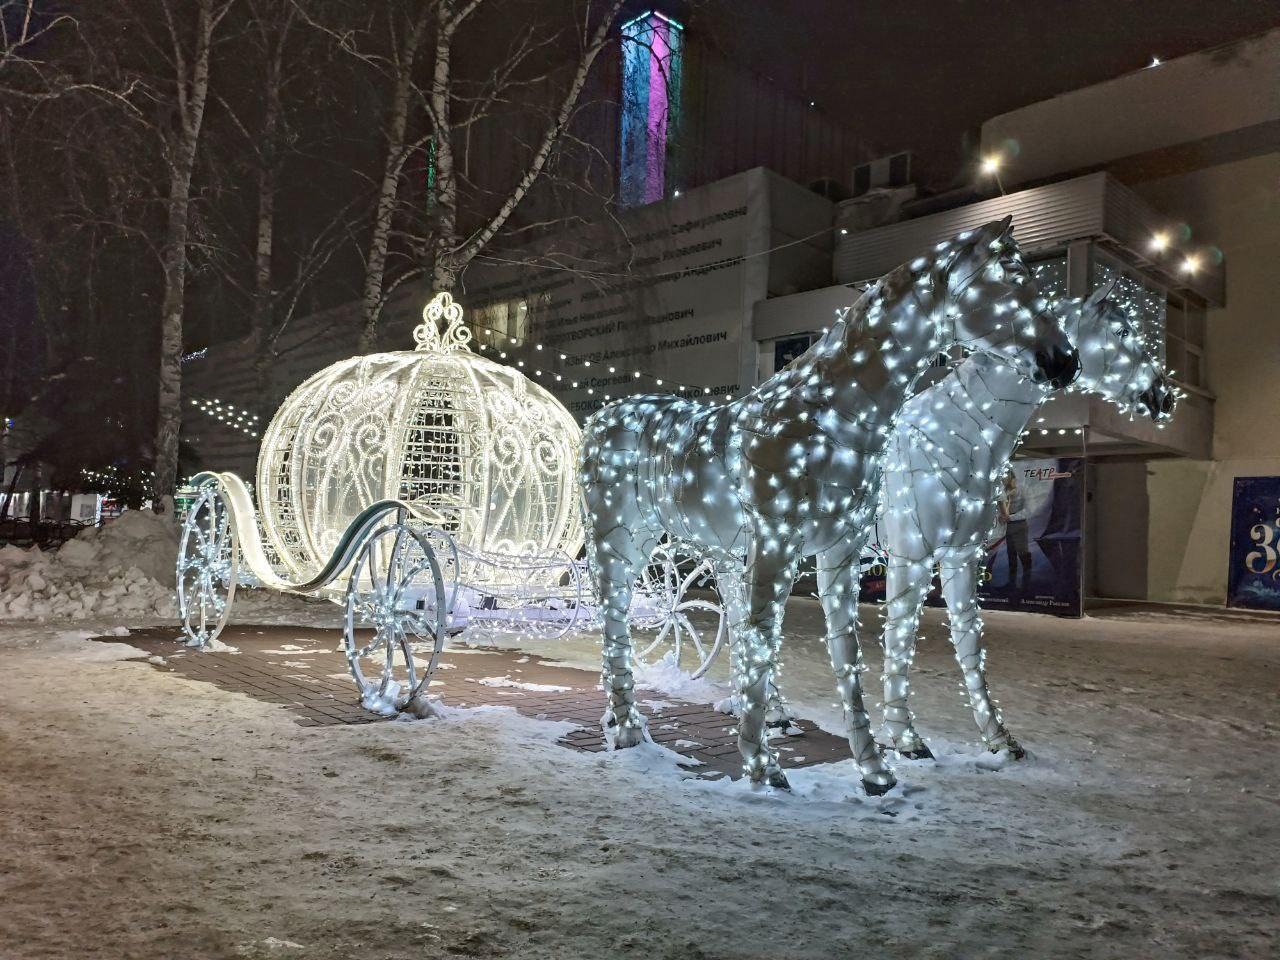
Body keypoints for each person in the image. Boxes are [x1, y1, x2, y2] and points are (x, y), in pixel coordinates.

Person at [998, 468, 1032, 593]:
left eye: (1007, 477)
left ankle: (1026, 585)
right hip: (1006, 526)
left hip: (1019, 525)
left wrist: (1010, 517)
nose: (1005, 480)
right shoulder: (1002, 491)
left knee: (1023, 554)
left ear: (1013, 478)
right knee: (1010, 555)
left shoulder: (1023, 489)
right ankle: (1012, 585)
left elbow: (1028, 511)